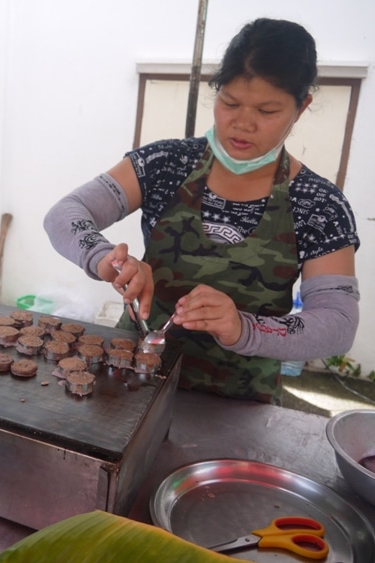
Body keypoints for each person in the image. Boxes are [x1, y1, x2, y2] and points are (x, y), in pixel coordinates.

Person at [44, 18, 360, 404]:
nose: (242, 124)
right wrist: (104, 258)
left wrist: (244, 328)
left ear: (302, 107)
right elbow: (65, 213)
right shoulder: (166, 164)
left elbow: (337, 323)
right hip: (132, 384)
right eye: (229, 103)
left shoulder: (318, 204)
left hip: (237, 405)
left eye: (267, 110)